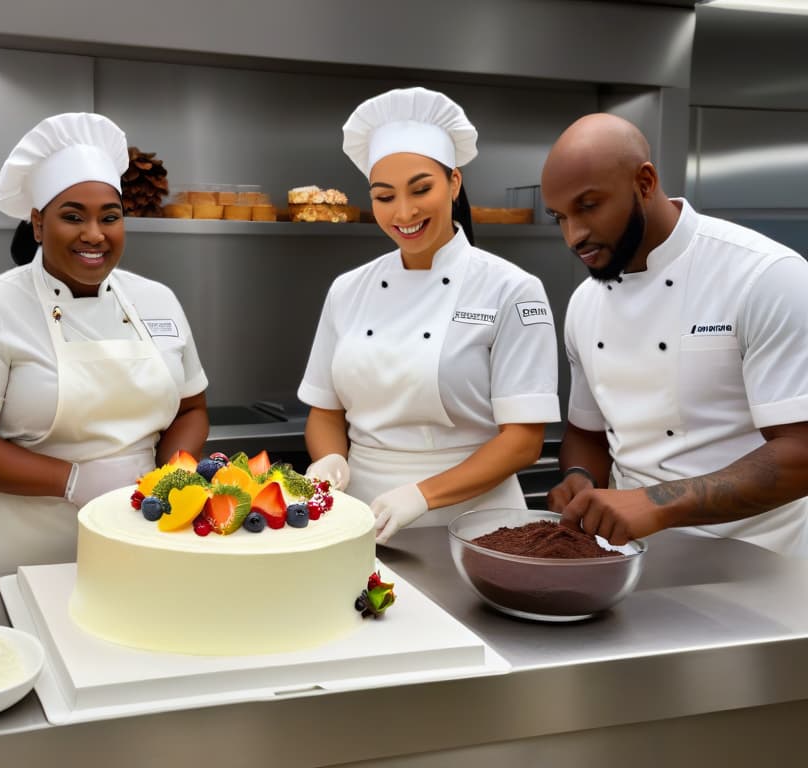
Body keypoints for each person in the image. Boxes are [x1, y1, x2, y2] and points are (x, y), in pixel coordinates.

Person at [0, 113, 209, 573]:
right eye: (72, 216)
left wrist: (173, 470)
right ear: (38, 224)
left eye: (110, 217)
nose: (94, 234)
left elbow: (191, 409)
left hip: (140, 535)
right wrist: (74, 480)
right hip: (19, 549)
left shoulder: (157, 299)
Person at [298, 87, 560, 545]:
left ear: (454, 183)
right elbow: (325, 410)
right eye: (384, 196)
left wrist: (421, 495)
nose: (404, 212)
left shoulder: (512, 289)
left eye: (421, 189)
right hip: (360, 519)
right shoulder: (348, 289)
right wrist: (330, 460)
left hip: (477, 524)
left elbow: (523, 440)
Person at [541, 113, 808, 557]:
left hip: (761, 557)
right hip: (631, 556)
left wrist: (658, 501)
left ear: (644, 183)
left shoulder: (766, 276)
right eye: (559, 217)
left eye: (588, 206)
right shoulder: (586, 302)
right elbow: (587, 434)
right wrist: (581, 480)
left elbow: (802, 451)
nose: (574, 236)